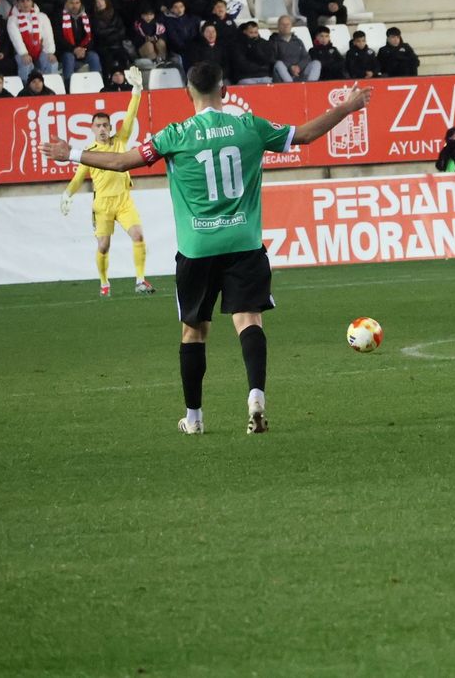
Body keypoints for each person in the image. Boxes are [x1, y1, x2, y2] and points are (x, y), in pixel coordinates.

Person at [43, 62, 372, 435]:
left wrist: (70, 153)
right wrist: (348, 106)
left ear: (188, 93)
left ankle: (195, 418)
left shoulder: (176, 134)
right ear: (225, 90)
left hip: (197, 248)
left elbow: (120, 162)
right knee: (248, 321)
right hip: (244, 243)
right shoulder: (250, 127)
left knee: (194, 333)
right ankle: (255, 395)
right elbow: (307, 135)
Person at [61, 74, 153, 297]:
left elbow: (130, 116)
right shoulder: (89, 153)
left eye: (105, 125)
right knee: (104, 246)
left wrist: (137, 91)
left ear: (111, 127)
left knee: (138, 236)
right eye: (98, 125)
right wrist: (67, 194)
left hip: (124, 201)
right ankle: (104, 283)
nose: (102, 128)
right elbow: (78, 178)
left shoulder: (120, 141)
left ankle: (140, 280)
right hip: (102, 205)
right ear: (92, 129)